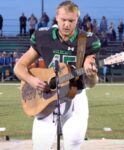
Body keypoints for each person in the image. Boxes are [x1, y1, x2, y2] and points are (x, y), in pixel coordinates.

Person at [14, 1, 101, 150]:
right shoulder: (44, 36)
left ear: (77, 20)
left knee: (72, 145)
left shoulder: (86, 40)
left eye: (71, 21)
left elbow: (91, 83)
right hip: (47, 99)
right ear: (56, 18)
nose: (66, 24)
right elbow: (19, 67)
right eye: (63, 20)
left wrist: (91, 74)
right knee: (40, 146)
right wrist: (32, 80)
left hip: (75, 98)